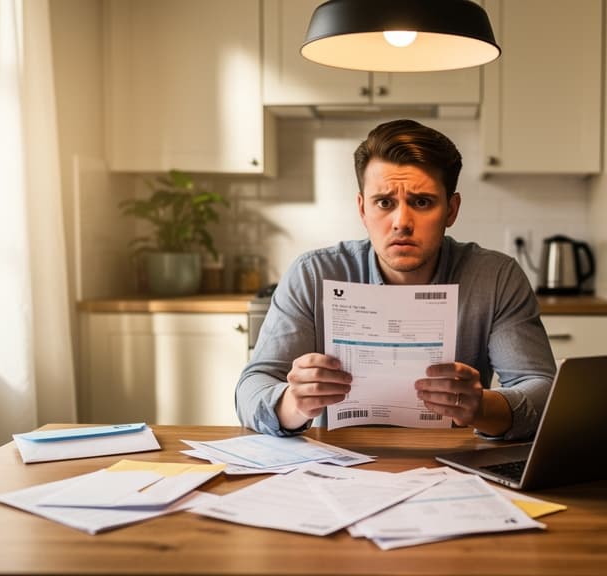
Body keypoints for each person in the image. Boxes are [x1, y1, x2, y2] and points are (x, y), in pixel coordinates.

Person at [235, 119, 555, 440]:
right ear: (362, 209)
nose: (402, 222)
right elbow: (252, 387)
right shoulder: (313, 274)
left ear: (451, 210)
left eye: (422, 202)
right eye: (385, 203)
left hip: (454, 463)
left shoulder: (496, 277)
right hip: (339, 463)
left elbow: (544, 391)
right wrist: (293, 402)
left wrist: (481, 407)